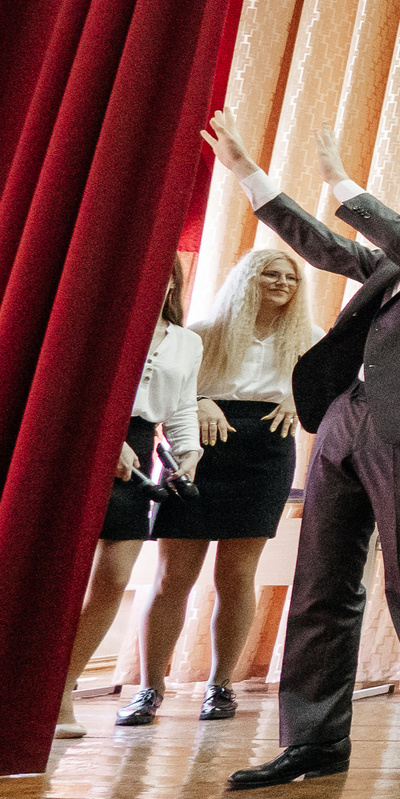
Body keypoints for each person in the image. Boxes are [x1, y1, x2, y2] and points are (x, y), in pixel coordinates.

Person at [203, 115, 400, 792]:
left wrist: (343, 184)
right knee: (321, 586)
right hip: (346, 419)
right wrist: (247, 173)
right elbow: (322, 246)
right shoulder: (398, 260)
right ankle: (314, 742)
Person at [129, 249, 318, 726]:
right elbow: (164, 388)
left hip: (267, 452)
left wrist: (298, 399)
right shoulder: (203, 333)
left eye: (290, 277)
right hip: (202, 447)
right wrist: (200, 400)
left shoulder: (309, 338)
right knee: (174, 576)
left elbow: (341, 389)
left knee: (236, 576)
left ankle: (221, 686)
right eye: (269, 274)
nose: (280, 282)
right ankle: (149, 689)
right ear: (245, 280)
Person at [54, 265, 202, 740]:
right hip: (82, 442)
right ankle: (27, 688)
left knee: (113, 579)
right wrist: (105, 434)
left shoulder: (186, 341)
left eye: (163, 277)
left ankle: (60, 692)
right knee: (58, 579)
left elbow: (180, 407)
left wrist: (188, 453)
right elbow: (73, 384)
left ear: (173, 284)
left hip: (139, 450)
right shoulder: (103, 326)